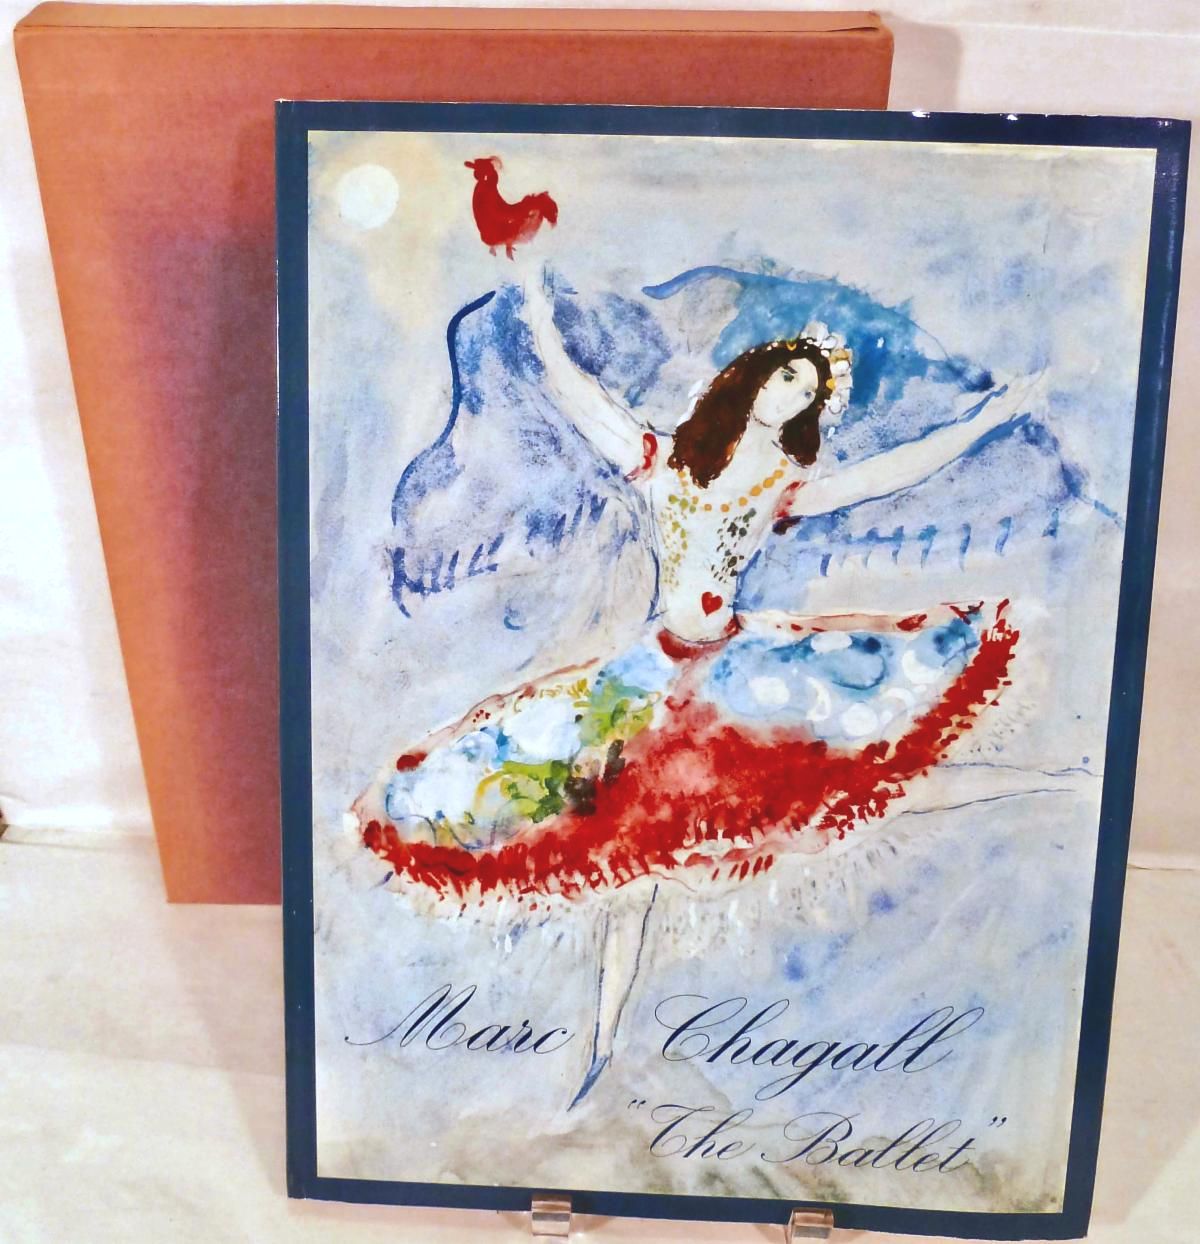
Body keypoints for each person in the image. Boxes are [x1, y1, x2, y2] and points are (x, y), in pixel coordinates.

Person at [356, 272, 1047, 1106]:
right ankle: (603, 1041)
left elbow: (889, 474)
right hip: (652, 677)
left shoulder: (782, 485)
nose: (793, 396)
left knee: (854, 771)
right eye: (785, 377)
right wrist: (536, 307)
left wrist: (987, 420)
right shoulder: (662, 460)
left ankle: (1048, 782)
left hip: (736, 672)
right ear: (749, 379)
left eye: (807, 393)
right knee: (625, 856)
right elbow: (579, 397)